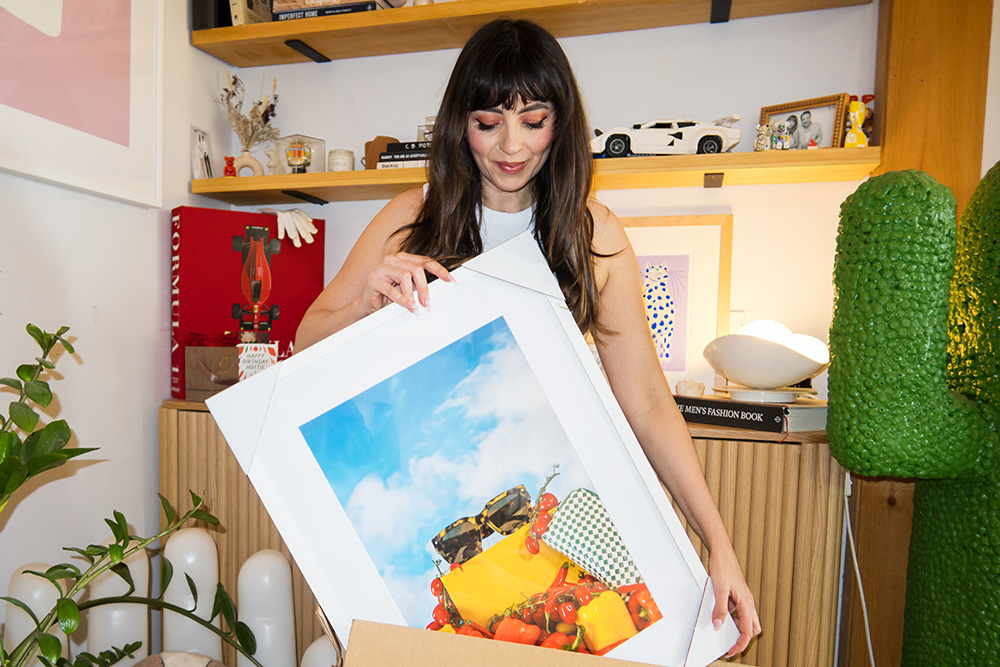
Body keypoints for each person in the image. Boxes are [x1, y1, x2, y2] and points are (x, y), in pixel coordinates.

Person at [295, 18, 761, 656]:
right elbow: (305, 340)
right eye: (488, 123)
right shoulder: (411, 216)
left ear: (560, 124)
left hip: (556, 527)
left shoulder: (592, 234)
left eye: (534, 121)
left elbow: (649, 403)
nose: (511, 146)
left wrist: (720, 545)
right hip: (420, 497)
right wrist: (371, 300)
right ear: (461, 124)